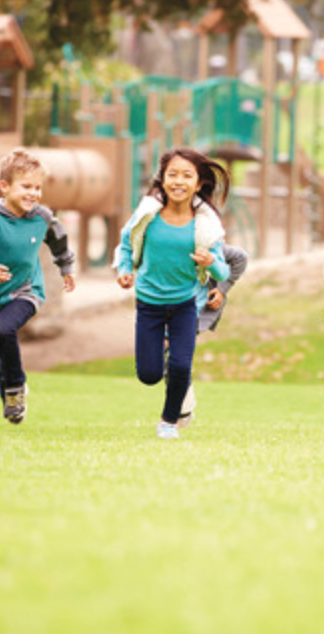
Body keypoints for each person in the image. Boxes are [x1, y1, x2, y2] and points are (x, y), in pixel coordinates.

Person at [115, 148, 231, 439]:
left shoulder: (205, 225)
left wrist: (211, 262)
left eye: (187, 176)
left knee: (180, 365)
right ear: (163, 179)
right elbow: (127, 244)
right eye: (173, 175)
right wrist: (125, 269)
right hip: (149, 303)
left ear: (199, 183)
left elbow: (223, 272)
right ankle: (167, 362)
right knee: (149, 374)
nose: (179, 181)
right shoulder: (147, 215)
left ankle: (169, 421)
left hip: (185, 304)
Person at [0, 149, 76, 429]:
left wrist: (66, 267)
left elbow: (59, 239)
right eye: (26, 186)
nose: (33, 193)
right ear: (5, 186)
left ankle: (15, 388)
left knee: (3, 330)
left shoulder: (42, 216)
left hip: (26, 291)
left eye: (37, 187)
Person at [176, 242, 249, 428]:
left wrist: (222, 289)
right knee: (163, 358)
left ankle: (181, 410)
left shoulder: (200, 241)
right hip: (164, 302)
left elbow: (240, 257)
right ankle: (183, 406)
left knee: (174, 353)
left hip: (195, 305)